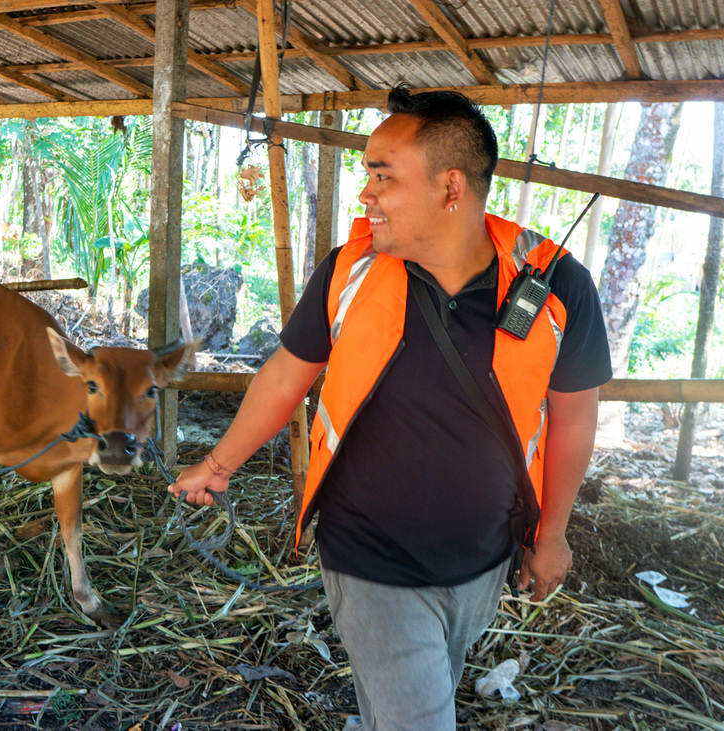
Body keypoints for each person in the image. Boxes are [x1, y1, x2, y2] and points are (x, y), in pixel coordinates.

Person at [169, 86, 612, 730]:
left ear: (450, 187)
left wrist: (550, 535)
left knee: (413, 701)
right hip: (371, 558)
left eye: (383, 176)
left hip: (484, 559)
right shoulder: (350, 271)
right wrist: (218, 463)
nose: (365, 194)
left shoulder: (553, 283)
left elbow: (573, 417)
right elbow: (286, 374)